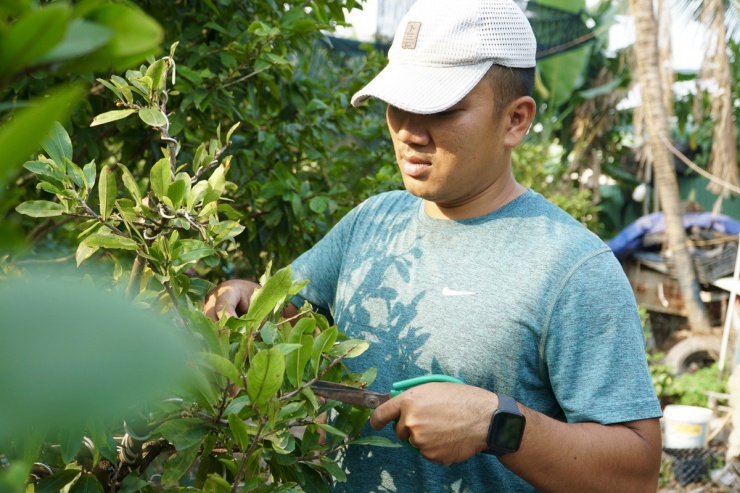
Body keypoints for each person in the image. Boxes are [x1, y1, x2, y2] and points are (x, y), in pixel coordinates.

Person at [205, 0, 663, 491]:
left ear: (516, 120)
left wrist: (497, 424)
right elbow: (286, 316)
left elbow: (635, 474)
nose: (408, 131)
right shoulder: (373, 221)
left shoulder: (571, 266)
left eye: (440, 109)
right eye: (398, 104)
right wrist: (243, 298)